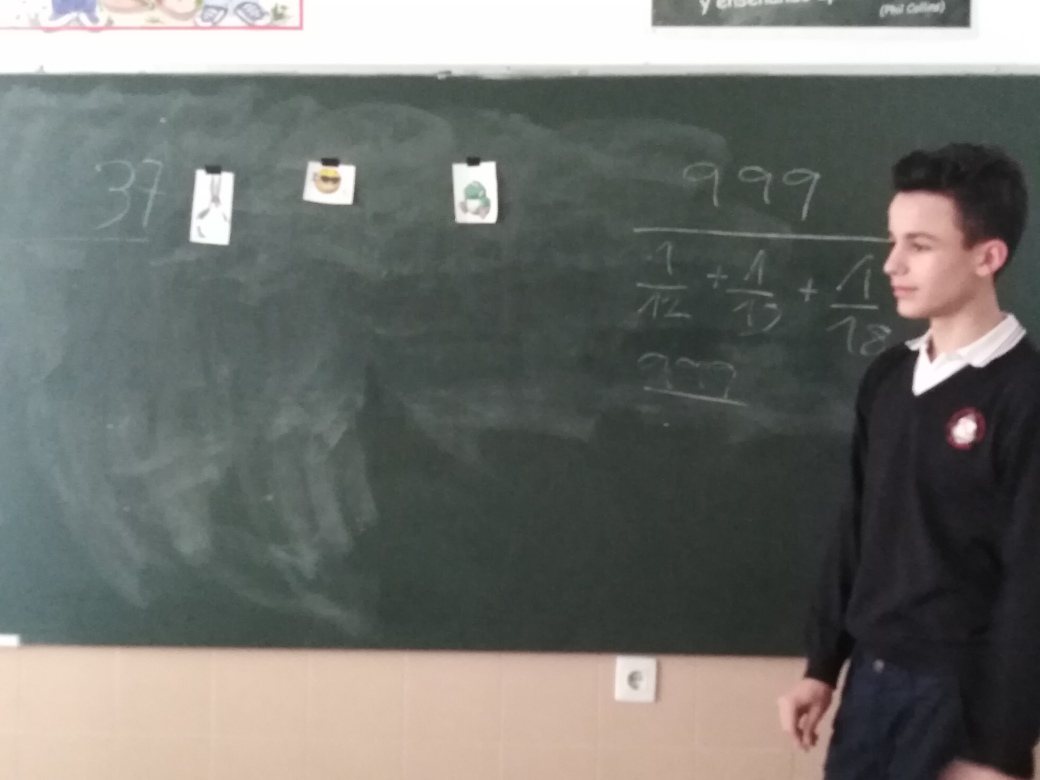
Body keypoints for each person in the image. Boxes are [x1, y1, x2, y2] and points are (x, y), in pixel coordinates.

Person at [777, 143, 1040, 779]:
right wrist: (822, 665)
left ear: (987, 256)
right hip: (871, 684)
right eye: (892, 241)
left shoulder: (1026, 393)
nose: (891, 263)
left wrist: (997, 747)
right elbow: (858, 527)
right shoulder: (890, 377)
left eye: (919, 245)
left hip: (959, 697)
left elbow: (1032, 580)